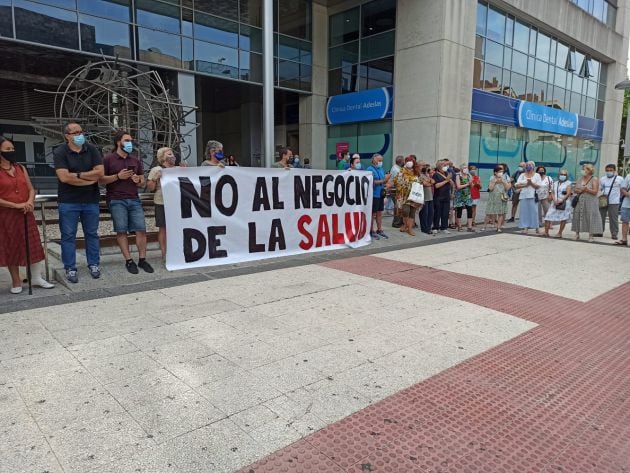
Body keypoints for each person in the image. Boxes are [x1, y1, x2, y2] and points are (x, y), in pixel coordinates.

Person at [0, 136, 54, 293]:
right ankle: (16, 281)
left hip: (25, 212)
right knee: (11, 246)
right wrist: (16, 205)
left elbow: (31, 188)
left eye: (12, 149)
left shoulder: (20, 168)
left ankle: (36, 276)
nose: (11, 152)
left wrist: (30, 202)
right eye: (7, 149)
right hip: (6, 215)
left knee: (32, 244)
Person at [53, 121, 104, 284]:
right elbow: (64, 177)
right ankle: (70, 267)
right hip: (68, 201)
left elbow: (100, 173)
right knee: (68, 236)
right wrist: (87, 177)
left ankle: (94, 264)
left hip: (91, 200)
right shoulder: (60, 152)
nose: (79, 135)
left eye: (81, 131)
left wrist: (78, 176)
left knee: (92, 234)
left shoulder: (92, 149)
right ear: (67, 136)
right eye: (75, 132)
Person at [100, 131, 154, 274]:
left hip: (134, 198)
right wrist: (118, 176)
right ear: (118, 142)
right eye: (127, 140)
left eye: (131, 140)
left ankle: (142, 259)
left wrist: (138, 180)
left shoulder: (135, 160)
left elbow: (143, 182)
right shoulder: (108, 159)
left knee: (141, 229)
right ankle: (129, 260)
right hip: (116, 199)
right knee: (121, 230)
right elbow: (101, 180)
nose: (130, 143)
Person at [147, 147, 182, 260]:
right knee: (163, 228)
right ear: (162, 158)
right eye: (169, 154)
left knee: (177, 227)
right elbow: (150, 188)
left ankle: (177, 251)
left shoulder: (178, 168)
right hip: (161, 202)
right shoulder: (156, 169)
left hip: (177, 203)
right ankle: (164, 253)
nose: (173, 156)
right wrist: (155, 178)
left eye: (172, 154)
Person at [571, 163, 602, 242]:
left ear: (589, 170)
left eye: (584, 169)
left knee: (590, 216)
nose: (582, 171)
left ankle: (591, 235)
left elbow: (595, 191)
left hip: (591, 201)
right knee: (577, 215)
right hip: (580, 200)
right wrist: (578, 190)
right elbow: (575, 189)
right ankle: (577, 234)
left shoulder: (594, 179)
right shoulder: (580, 178)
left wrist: (587, 190)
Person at [393, 156, 421, 236]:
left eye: (411, 161)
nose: (409, 162)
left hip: (414, 195)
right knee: (405, 211)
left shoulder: (416, 172)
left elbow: (420, 180)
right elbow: (397, 181)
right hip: (404, 195)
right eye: (407, 161)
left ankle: (409, 228)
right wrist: (405, 185)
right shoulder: (402, 171)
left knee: (412, 212)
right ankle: (406, 226)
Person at [367, 153, 391, 240]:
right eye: (379, 160)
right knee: (373, 214)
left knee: (379, 213)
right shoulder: (369, 169)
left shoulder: (381, 169)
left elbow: (382, 181)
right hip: (374, 194)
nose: (381, 162)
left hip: (380, 194)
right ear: (374, 160)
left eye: (381, 160)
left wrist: (387, 181)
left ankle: (379, 229)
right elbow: (373, 182)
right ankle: (371, 230)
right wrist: (384, 180)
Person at [543, 169, 572, 238]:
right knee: (548, 216)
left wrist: (561, 200)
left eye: (564, 175)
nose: (563, 176)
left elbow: (568, 193)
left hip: (564, 202)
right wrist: (554, 200)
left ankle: (559, 233)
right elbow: (552, 192)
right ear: (559, 175)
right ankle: (546, 232)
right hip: (555, 202)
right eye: (561, 174)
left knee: (563, 218)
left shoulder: (568, 183)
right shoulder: (555, 183)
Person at [514, 161, 541, 234]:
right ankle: (525, 227)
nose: (528, 166)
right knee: (524, 212)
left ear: (533, 166)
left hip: (532, 196)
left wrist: (531, 183)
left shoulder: (537, 175)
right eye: (527, 165)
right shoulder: (522, 175)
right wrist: (525, 185)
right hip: (523, 196)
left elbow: (538, 186)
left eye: (530, 165)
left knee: (534, 212)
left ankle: (536, 227)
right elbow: (516, 185)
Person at [483, 165, 511, 232]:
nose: (501, 173)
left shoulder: (504, 178)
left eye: (502, 171)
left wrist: (503, 182)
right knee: (488, 212)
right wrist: (495, 182)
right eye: (499, 171)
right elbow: (490, 188)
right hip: (493, 197)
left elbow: (507, 188)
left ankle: (498, 227)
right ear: (495, 172)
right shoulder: (492, 178)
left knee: (500, 213)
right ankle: (484, 226)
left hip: (501, 198)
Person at [598, 164, 622, 240]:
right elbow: (600, 189)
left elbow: (623, 189)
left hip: (614, 201)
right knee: (601, 216)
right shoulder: (602, 179)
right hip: (603, 201)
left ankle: (614, 233)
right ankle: (599, 232)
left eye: (611, 170)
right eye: (607, 170)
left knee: (613, 218)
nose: (609, 172)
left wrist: (619, 197)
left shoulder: (620, 179)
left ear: (615, 171)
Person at [433, 160, 453, 233]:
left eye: (445, 165)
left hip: (446, 196)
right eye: (443, 165)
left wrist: (450, 182)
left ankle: (444, 227)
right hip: (438, 196)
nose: (445, 166)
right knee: (437, 212)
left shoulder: (447, 173)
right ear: (439, 166)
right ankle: (435, 227)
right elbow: (436, 185)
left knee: (445, 213)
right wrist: (446, 180)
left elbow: (452, 184)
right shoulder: (436, 174)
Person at [454, 164, 475, 232]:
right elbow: (458, 186)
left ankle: (469, 226)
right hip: (460, 195)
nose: (465, 169)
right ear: (461, 169)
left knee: (469, 210)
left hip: (468, 195)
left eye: (466, 168)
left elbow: (471, 187)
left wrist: (471, 183)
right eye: (464, 168)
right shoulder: (458, 176)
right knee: (459, 210)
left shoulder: (469, 175)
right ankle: (459, 226)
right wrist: (467, 184)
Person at [418, 161, 435, 235]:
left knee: (431, 213)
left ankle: (429, 227)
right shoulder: (419, 175)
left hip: (430, 197)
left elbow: (433, 181)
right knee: (424, 214)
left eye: (426, 165)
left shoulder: (427, 175)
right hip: (423, 197)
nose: (425, 167)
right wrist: (429, 182)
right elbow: (425, 184)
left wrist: (429, 181)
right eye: (423, 165)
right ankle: (424, 229)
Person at [616, 171, 630, 246]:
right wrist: (628, 194)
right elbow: (622, 189)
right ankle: (624, 239)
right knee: (625, 221)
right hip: (627, 204)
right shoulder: (628, 176)